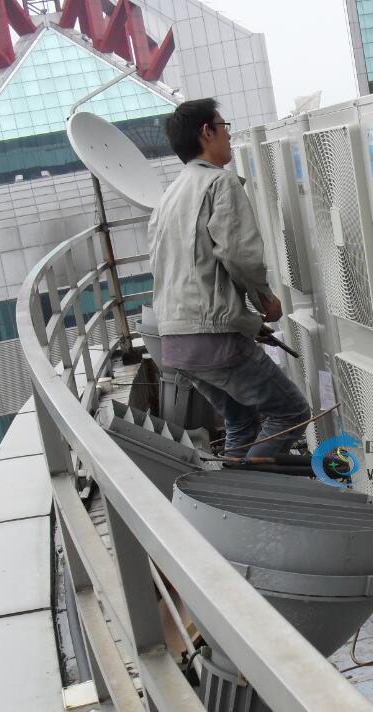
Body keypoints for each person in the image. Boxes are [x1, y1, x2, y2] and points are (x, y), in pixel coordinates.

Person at [148, 98, 311, 458]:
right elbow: (239, 255)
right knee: (291, 413)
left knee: (240, 423)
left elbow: (185, 272)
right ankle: (256, 486)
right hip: (213, 339)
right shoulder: (220, 183)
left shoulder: (168, 197)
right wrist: (266, 301)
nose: (229, 135)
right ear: (207, 132)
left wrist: (247, 324)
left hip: (175, 340)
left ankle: (237, 481)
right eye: (224, 127)